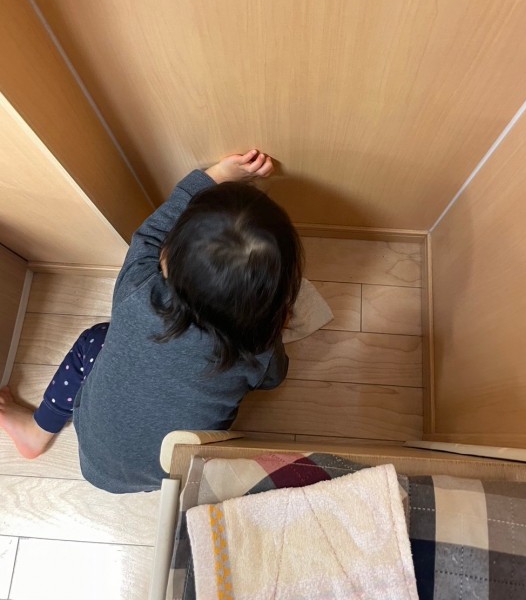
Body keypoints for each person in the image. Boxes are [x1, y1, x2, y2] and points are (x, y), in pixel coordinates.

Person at [0, 149, 303, 493]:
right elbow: (274, 378)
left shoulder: (138, 286)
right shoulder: (259, 346)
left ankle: (38, 431)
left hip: (96, 442)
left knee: (96, 338)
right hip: (168, 473)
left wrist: (215, 175)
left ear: (166, 258)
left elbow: (151, 233)